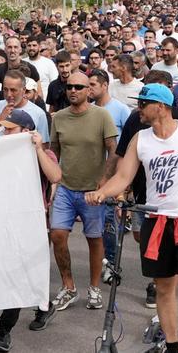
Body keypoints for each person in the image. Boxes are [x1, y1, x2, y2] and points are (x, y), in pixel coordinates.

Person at [86, 83, 178, 353]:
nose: (139, 108)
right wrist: (101, 192)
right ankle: (173, 345)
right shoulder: (140, 139)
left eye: (144, 103)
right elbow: (123, 177)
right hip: (157, 222)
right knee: (164, 290)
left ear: (162, 107)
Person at [0, 111, 62, 351]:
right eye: (4, 128)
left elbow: (55, 176)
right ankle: (44, 305)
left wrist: (38, 149)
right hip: (5, 220)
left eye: (10, 129)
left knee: (17, 277)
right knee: (23, 272)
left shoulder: (41, 152)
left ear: (26, 130)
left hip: (31, 223)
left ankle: (3, 331)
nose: (4, 132)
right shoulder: (1, 152)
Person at [48, 72, 117, 312]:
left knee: (94, 239)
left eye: (79, 86)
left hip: (92, 191)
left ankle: (95, 287)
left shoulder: (102, 116)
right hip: (66, 188)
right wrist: (53, 182)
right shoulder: (59, 118)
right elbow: (53, 152)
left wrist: (105, 180)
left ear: (90, 90)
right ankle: (69, 287)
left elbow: (113, 149)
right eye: (69, 86)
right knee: (57, 234)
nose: (73, 90)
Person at [0, 71, 50, 143]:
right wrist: (1, 118)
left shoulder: (38, 113)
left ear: (24, 90)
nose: (9, 94)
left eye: (13, 90)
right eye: (5, 89)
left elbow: (44, 145)